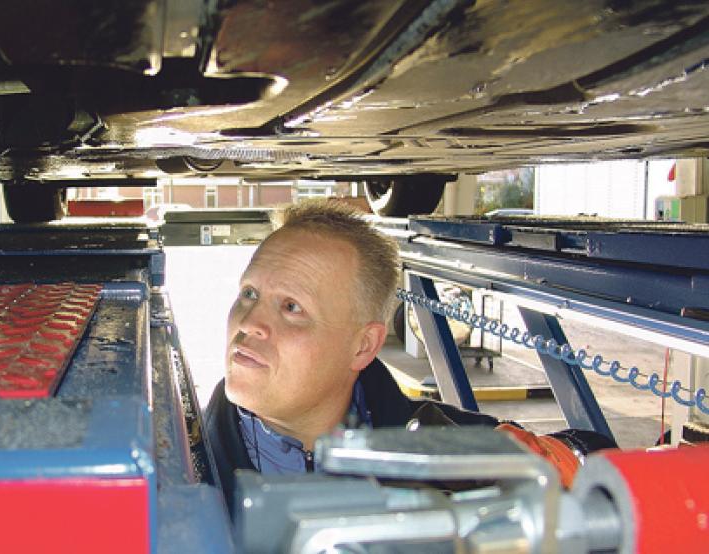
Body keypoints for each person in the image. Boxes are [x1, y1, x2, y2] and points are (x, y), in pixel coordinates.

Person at [203, 198, 615, 509]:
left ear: (363, 345)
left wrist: (544, 461)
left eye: (291, 308)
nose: (248, 321)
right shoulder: (183, 475)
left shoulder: (453, 451)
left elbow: (602, 465)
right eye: (249, 293)